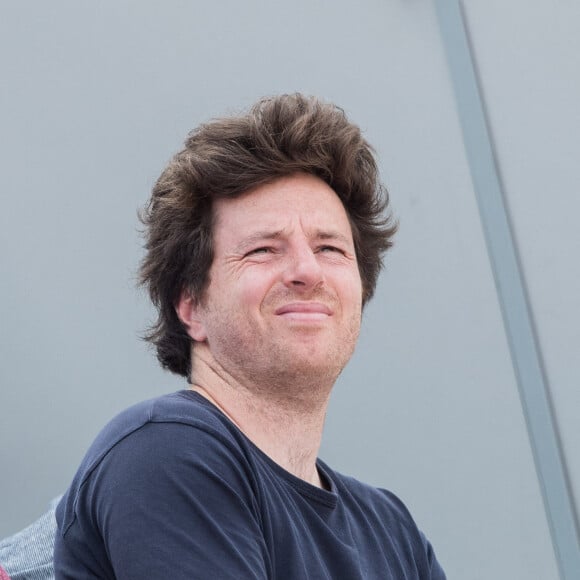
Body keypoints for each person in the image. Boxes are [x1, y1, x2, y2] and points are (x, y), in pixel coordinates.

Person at [54, 93, 446, 579]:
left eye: (330, 248)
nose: (306, 271)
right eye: (263, 250)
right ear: (191, 306)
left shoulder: (392, 533)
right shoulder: (166, 452)